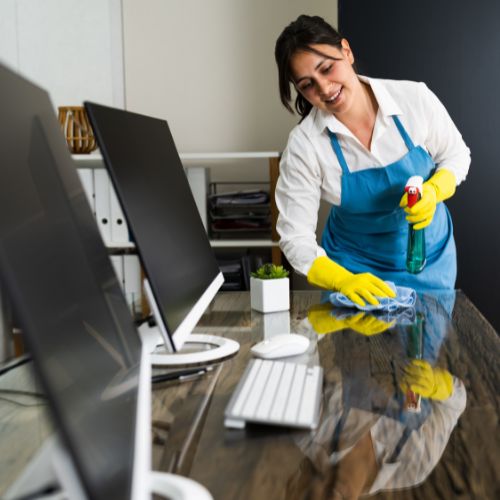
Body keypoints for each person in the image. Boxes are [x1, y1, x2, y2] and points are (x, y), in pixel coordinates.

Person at [274, 15, 471, 306]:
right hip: (354, 270)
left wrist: (433, 191)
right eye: (308, 85)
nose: (325, 89)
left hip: (429, 263)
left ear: (346, 51)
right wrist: (342, 279)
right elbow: (295, 237)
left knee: (426, 352)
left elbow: (455, 155)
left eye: (327, 68)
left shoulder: (413, 98)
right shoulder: (305, 145)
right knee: (355, 351)